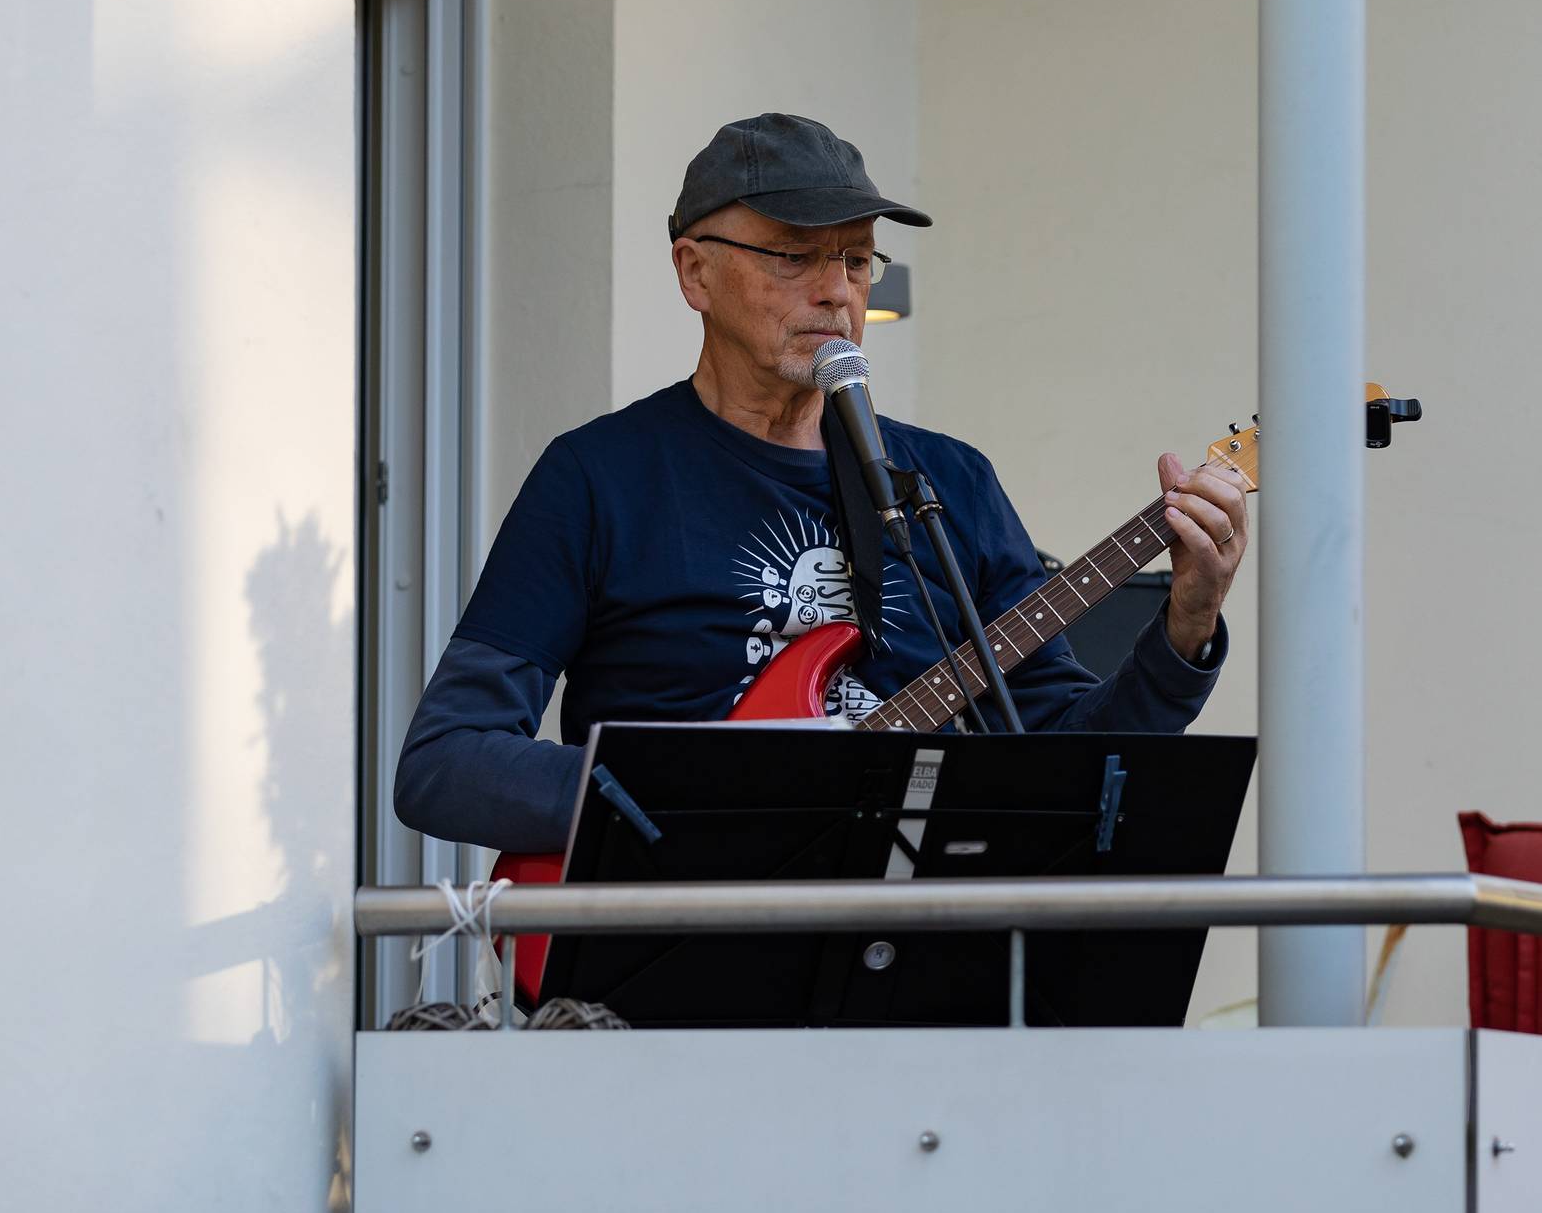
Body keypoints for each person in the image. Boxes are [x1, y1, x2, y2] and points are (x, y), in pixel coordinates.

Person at [394, 113, 1248, 854]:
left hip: (908, 960)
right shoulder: (598, 479)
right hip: (677, 963)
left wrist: (1187, 624)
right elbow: (448, 762)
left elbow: (1069, 761)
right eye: (795, 256)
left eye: (857, 260)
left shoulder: (947, 483)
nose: (837, 291)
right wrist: (688, 794)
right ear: (695, 272)